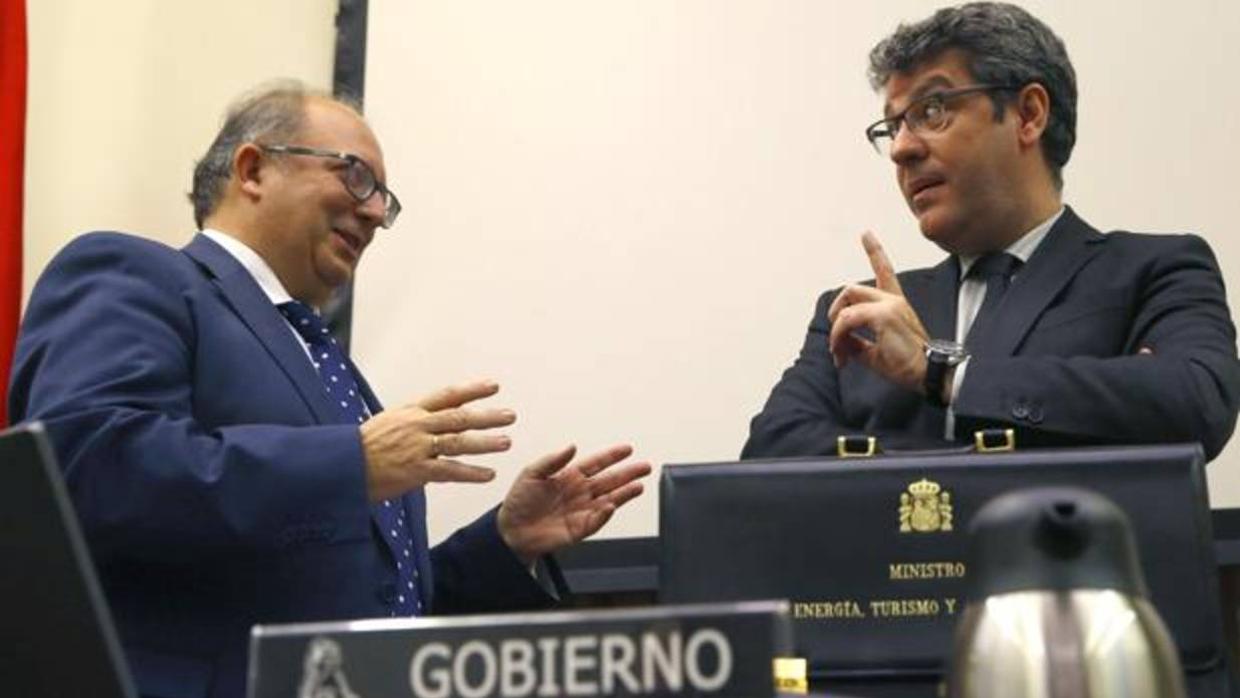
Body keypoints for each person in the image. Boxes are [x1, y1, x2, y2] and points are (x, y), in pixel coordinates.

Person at [8, 83, 651, 698]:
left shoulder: (330, 368)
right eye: (357, 177)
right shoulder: (138, 275)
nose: (374, 213)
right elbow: (90, 472)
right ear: (253, 169)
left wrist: (506, 544)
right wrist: (352, 463)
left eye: (383, 200)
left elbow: (382, 611)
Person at [742, 2, 1239, 461]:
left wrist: (941, 374)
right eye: (893, 127)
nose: (901, 149)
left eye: (931, 110)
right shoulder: (858, 315)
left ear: (1029, 115)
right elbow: (772, 451)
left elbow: (1194, 402)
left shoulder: (1154, 271)